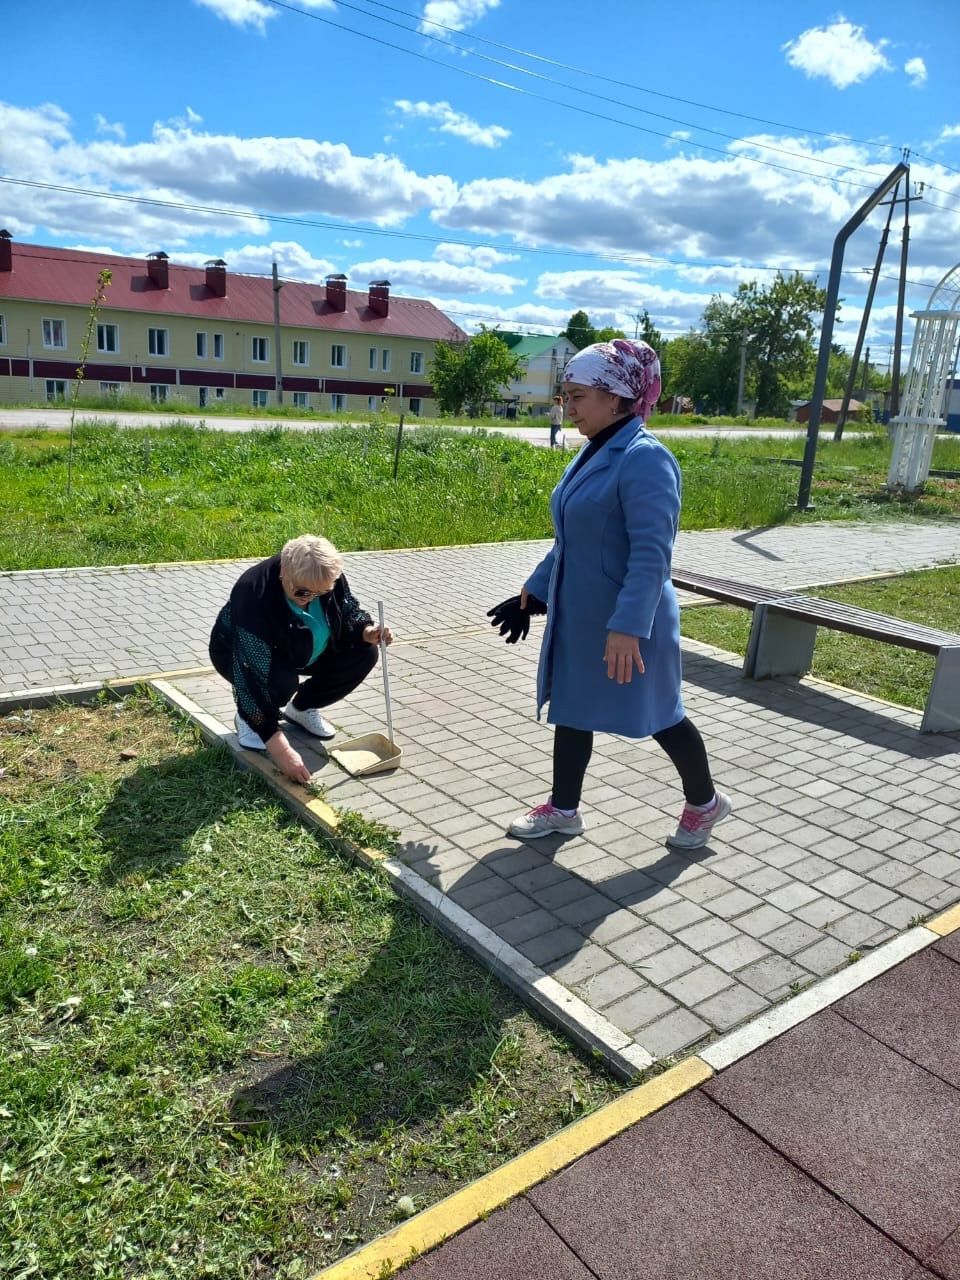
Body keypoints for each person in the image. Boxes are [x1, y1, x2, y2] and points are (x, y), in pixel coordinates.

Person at [491, 338, 731, 850]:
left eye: (578, 396)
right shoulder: (595, 451)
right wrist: (532, 593)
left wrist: (626, 628)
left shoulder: (645, 460)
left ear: (618, 397)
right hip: (581, 616)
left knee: (660, 715)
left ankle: (705, 804)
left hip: (629, 622)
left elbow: (651, 556)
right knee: (573, 708)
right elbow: (574, 539)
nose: (568, 407)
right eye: (566, 397)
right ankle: (564, 809)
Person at [209, 534, 392, 783]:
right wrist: (281, 750)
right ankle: (249, 719)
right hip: (240, 655)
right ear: (284, 571)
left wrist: (367, 631)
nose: (310, 599)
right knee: (281, 683)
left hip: (304, 648)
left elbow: (348, 608)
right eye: (303, 593)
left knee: (364, 653)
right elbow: (249, 675)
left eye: (321, 593)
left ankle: (302, 709)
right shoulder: (252, 592)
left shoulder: (323, 574)